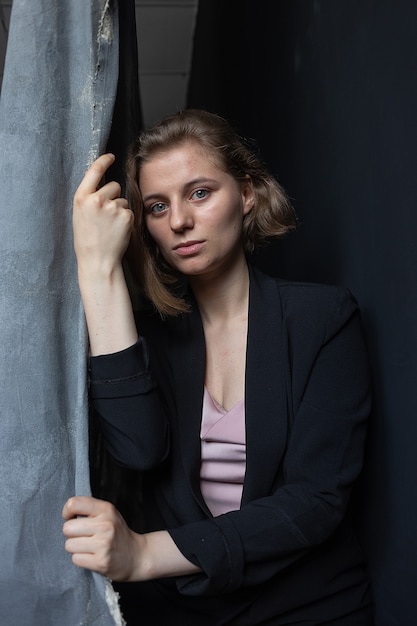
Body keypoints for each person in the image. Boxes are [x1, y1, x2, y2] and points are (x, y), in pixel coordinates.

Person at [63, 109, 373, 625]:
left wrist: (144, 553)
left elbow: (316, 500)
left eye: (200, 193)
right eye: (157, 206)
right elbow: (139, 451)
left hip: (308, 604)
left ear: (247, 194)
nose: (179, 221)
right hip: (184, 608)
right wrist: (97, 271)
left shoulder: (323, 319)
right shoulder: (147, 338)